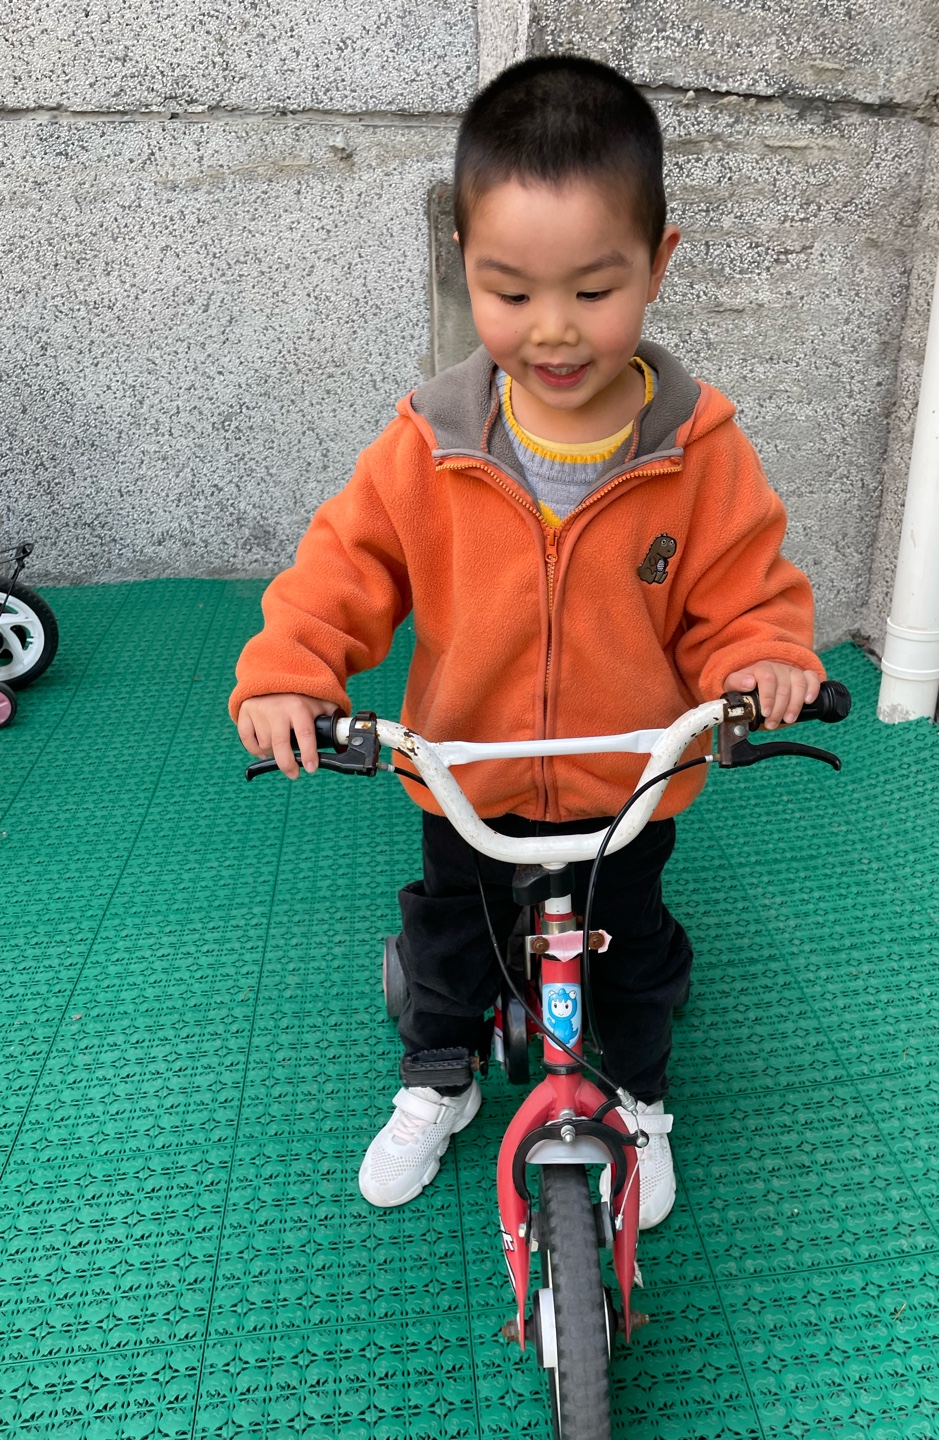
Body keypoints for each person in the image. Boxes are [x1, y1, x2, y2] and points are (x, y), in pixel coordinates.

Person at [230, 55, 824, 1227]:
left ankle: (641, 1101)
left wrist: (761, 658)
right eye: (510, 291)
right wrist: (292, 673)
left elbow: (743, 591)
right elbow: (345, 566)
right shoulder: (432, 442)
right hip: (468, 770)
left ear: (659, 264)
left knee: (635, 952)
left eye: (593, 290)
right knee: (448, 938)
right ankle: (437, 1078)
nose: (552, 330)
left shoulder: (699, 452)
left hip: (626, 778)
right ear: (465, 264)